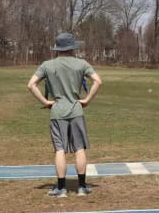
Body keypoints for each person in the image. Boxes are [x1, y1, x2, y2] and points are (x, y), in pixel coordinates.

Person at [27, 33, 102, 198]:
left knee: (59, 149)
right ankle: (82, 187)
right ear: (72, 48)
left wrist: (46, 102)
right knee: (79, 148)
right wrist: (87, 99)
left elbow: (31, 84)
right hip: (76, 110)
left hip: (57, 112)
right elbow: (98, 81)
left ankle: (61, 188)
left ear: (57, 48)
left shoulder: (47, 65)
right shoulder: (81, 63)